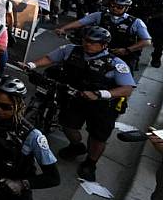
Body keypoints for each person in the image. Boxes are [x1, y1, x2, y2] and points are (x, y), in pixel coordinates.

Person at [24, 26, 135, 181]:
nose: (87, 44)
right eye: (85, 40)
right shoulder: (70, 50)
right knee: (68, 124)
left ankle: (90, 163)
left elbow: (127, 89)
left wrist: (100, 94)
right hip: (75, 98)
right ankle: (76, 146)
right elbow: (50, 58)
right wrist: (32, 65)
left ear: (104, 45)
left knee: (97, 137)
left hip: (102, 106)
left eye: (92, 42)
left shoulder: (115, 64)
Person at [56, 0, 151, 71]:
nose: (115, 8)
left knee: (123, 76)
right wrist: (63, 28)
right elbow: (81, 22)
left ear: (126, 8)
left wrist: (127, 50)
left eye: (119, 7)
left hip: (122, 54)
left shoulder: (135, 22)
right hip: (98, 50)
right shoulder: (100, 15)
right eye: (112, 6)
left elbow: (147, 41)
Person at [121, 0, 163, 67]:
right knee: (135, 39)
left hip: (156, 20)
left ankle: (156, 57)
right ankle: (135, 58)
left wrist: (151, 17)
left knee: (159, 41)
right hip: (137, 18)